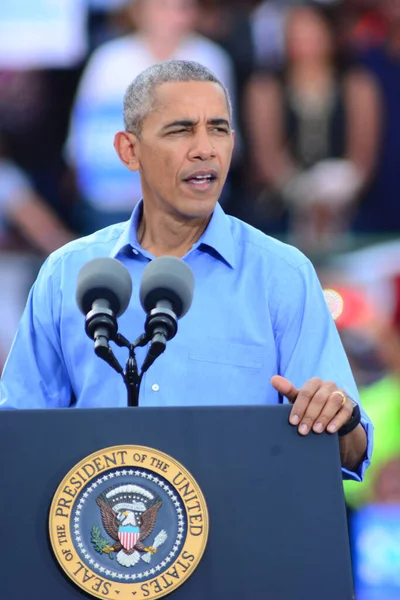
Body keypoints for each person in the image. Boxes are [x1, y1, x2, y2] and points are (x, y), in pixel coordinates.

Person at [0, 60, 372, 482]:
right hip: (101, 541)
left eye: (218, 129)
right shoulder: (67, 275)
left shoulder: (283, 275)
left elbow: (351, 449)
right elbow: (17, 440)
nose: (205, 148)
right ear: (129, 150)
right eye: (180, 130)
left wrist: (339, 419)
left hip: (249, 538)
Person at [66, 0, 237, 234]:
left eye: (183, 7)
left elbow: (222, 137)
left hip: (190, 203)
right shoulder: (108, 61)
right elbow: (82, 143)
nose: (174, 17)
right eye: (163, 7)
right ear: (140, 11)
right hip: (112, 203)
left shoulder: (211, 59)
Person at [243, 3, 381, 252]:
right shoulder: (265, 87)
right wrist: (301, 191)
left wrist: (337, 188)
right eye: (296, 30)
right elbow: (266, 154)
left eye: (311, 29)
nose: (304, 39)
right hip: (281, 208)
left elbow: (364, 154)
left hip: (349, 206)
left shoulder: (357, 83)